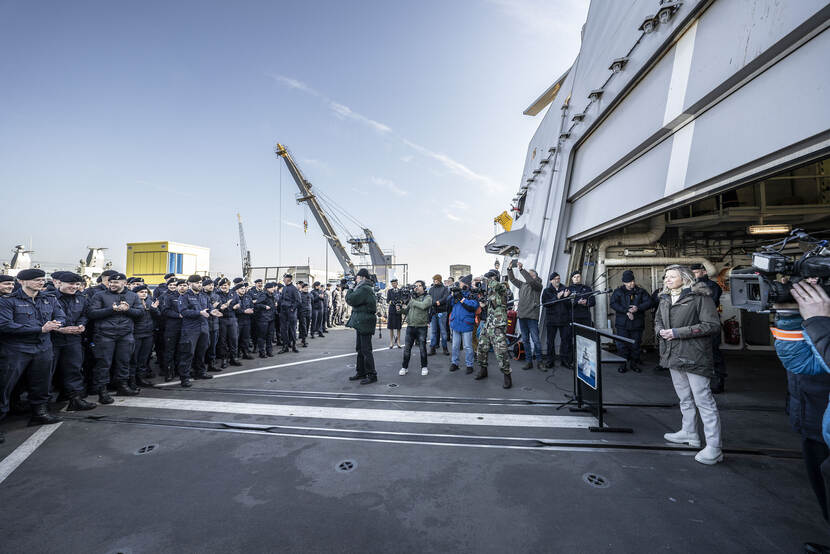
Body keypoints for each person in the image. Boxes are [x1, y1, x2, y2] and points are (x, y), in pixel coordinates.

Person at [773, 279, 830, 530]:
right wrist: (788, 314)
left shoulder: (820, 319)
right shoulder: (818, 314)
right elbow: (800, 363)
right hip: (812, 412)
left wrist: (819, 322)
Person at [655, 264, 723, 465]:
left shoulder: (700, 297)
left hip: (694, 355)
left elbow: (712, 325)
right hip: (673, 354)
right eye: (666, 276)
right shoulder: (665, 298)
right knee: (684, 397)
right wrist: (660, 331)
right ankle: (690, 433)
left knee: (704, 400)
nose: (667, 280)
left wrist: (677, 333)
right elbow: (658, 319)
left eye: (671, 276)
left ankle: (714, 447)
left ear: (684, 278)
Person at [0, 269, 66, 436]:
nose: (41, 282)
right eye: (37, 280)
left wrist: (57, 323)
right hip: (16, 349)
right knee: (4, 386)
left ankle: (40, 412)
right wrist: (40, 328)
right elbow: (5, 325)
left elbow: (61, 316)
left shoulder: (49, 299)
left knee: (42, 382)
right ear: (22, 281)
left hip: (43, 347)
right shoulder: (8, 301)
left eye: (42, 279)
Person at [87, 272, 143, 402]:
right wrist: (111, 310)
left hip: (125, 334)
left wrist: (127, 310)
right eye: (111, 282)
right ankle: (102, 391)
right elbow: (91, 313)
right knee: (103, 363)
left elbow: (140, 313)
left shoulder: (133, 296)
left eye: (116, 282)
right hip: (105, 335)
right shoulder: (99, 295)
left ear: (124, 283)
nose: (112, 284)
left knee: (124, 361)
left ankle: (122, 386)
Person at [51, 272, 96, 410]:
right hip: (52, 339)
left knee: (74, 369)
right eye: (71, 284)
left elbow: (84, 314)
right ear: (59, 283)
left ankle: (75, 399)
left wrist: (81, 325)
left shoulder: (81, 298)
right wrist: (60, 329)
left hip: (73, 339)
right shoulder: (48, 297)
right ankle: (41, 404)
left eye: (77, 284)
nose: (74, 287)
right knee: (47, 372)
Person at [691, 263, 726, 393]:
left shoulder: (713, 286)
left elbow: (710, 302)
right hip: (696, 323)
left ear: (704, 272)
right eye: (693, 272)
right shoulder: (691, 286)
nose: (694, 275)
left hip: (709, 322)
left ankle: (718, 380)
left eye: (696, 272)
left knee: (713, 352)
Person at [475, 269, 513, 389]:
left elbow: (498, 287)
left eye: (490, 278)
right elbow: (489, 305)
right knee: (481, 347)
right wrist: (483, 304)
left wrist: (484, 279)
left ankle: (507, 376)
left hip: (498, 325)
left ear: (495, 277)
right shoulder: (490, 291)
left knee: (501, 351)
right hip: (488, 323)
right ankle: (483, 370)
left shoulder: (502, 287)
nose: (488, 281)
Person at [609, 270, 652, 373]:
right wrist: (626, 311)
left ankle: (634, 364)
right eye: (629, 282)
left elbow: (649, 302)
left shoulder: (640, 291)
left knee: (636, 345)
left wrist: (638, 308)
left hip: (637, 323)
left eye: (632, 281)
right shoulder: (618, 292)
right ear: (624, 282)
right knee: (622, 345)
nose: (631, 283)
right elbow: (613, 304)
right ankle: (623, 365)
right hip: (622, 324)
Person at [176, 275, 214, 387]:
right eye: (197, 282)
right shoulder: (184, 296)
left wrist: (213, 311)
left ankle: (200, 372)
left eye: (200, 282)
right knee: (188, 353)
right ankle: (184, 377)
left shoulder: (204, 296)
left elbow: (209, 308)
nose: (199, 284)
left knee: (201, 352)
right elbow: (183, 312)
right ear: (190, 284)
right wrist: (199, 313)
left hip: (203, 327)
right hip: (191, 329)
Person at [508, 261, 543, 370]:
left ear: (536, 277)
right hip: (522, 315)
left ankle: (539, 362)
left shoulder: (538, 285)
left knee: (536, 340)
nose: (530, 277)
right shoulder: (523, 285)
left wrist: (522, 270)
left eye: (532, 275)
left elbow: (531, 281)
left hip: (532, 316)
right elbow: (513, 280)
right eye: (529, 274)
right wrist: (510, 269)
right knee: (526, 340)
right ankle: (529, 362)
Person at [345, 268, 378, 385]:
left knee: (365, 349)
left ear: (363, 278)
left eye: (357, 277)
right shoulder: (364, 288)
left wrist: (349, 289)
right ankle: (361, 372)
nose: (355, 280)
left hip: (364, 322)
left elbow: (351, 299)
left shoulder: (364, 288)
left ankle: (372, 374)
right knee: (360, 349)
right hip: (362, 322)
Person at [562, 271, 594, 369]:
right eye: (575, 277)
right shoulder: (568, 289)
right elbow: (565, 304)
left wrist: (586, 302)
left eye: (578, 276)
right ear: (572, 279)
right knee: (570, 341)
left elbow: (593, 301)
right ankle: (569, 361)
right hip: (572, 318)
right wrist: (576, 302)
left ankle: (584, 362)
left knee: (585, 340)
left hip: (585, 318)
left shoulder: (587, 288)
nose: (577, 278)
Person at [448, 275, 479, 375]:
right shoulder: (457, 293)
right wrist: (452, 295)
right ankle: (454, 363)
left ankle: (469, 365)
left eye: (461, 284)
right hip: (456, 323)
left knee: (467, 346)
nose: (459, 285)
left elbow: (473, 306)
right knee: (455, 346)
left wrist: (462, 299)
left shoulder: (472, 294)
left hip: (466, 324)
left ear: (466, 285)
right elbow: (448, 303)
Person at [400, 280, 431, 376]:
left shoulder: (427, 297)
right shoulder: (412, 298)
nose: (417, 287)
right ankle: (404, 367)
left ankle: (424, 367)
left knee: (422, 348)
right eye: (415, 286)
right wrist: (400, 309)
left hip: (421, 327)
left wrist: (412, 301)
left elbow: (423, 306)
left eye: (419, 286)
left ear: (424, 287)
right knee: (407, 349)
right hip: (410, 326)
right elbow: (406, 311)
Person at [130, 284, 158, 388]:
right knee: (133, 358)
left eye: (145, 292)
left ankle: (140, 378)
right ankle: (132, 380)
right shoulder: (132, 302)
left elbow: (158, 315)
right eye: (141, 292)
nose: (144, 294)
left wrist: (154, 309)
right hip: (136, 333)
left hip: (148, 333)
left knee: (143, 358)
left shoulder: (149, 301)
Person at [541, 272, 569, 369]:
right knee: (550, 341)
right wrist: (556, 297)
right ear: (551, 280)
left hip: (564, 319)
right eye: (555, 279)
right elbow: (545, 304)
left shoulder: (565, 289)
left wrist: (566, 297)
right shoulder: (547, 291)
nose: (557, 280)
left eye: (558, 278)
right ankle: (550, 361)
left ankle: (564, 361)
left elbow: (569, 305)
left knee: (565, 341)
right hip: (552, 320)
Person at [161, 279, 186, 381]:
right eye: (180, 285)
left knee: (182, 351)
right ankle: (169, 372)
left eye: (184, 285)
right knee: (170, 351)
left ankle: (180, 371)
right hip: (172, 327)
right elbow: (165, 311)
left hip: (185, 327)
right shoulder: (169, 297)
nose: (182, 287)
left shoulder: (188, 297)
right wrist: (178, 315)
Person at [214, 278, 242, 368]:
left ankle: (234, 358)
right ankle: (224, 359)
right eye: (222, 285)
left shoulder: (233, 293)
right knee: (223, 341)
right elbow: (216, 306)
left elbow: (239, 301)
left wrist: (238, 305)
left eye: (225, 285)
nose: (223, 287)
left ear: (229, 286)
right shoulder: (216, 295)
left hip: (232, 319)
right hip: (222, 319)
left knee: (234, 339)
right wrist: (225, 305)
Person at [428, 274, 450, 356]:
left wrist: (438, 302)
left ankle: (445, 348)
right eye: (434, 279)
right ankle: (432, 348)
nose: (435, 281)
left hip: (442, 312)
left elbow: (445, 298)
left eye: (436, 279)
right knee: (433, 332)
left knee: (443, 331)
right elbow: (429, 299)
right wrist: (435, 303)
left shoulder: (445, 288)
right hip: (433, 312)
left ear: (440, 280)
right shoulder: (431, 289)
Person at [254, 282, 278, 358]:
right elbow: (257, 304)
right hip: (263, 318)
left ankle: (269, 351)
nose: (273, 289)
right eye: (272, 288)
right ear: (267, 288)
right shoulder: (263, 295)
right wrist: (264, 306)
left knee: (270, 336)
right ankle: (262, 352)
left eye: (273, 287)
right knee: (262, 336)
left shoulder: (272, 295)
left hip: (271, 318)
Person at [279, 274, 301, 353]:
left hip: (291, 312)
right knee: (283, 330)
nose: (283, 280)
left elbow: (298, 301)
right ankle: (285, 347)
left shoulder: (294, 289)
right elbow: (282, 299)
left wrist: (292, 309)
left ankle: (294, 346)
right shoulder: (284, 288)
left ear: (288, 280)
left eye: (284, 279)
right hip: (283, 311)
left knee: (292, 330)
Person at [234, 282, 255, 359]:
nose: (243, 290)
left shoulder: (248, 297)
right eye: (241, 289)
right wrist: (243, 311)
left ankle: (245, 353)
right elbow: (233, 309)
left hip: (247, 320)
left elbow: (252, 306)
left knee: (245, 337)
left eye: (244, 288)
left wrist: (251, 310)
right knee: (236, 338)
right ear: (237, 290)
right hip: (237, 320)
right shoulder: (234, 297)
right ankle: (236, 353)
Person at [386, 278, 404, 348]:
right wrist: (392, 302)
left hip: (398, 310)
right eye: (392, 283)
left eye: (395, 283)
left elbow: (403, 299)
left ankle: (398, 341)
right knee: (391, 327)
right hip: (392, 310)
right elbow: (388, 300)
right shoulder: (389, 291)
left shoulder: (400, 291)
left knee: (398, 327)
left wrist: (399, 303)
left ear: (397, 283)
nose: (394, 284)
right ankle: (391, 341)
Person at [298, 282, 312, 347]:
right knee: (303, 326)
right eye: (305, 288)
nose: (306, 289)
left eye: (307, 287)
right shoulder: (300, 295)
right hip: (302, 313)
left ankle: (304, 339)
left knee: (307, 326)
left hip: (308, 312)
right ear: (302, 288)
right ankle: (304, 340)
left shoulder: (310, 294)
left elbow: (312, 302)